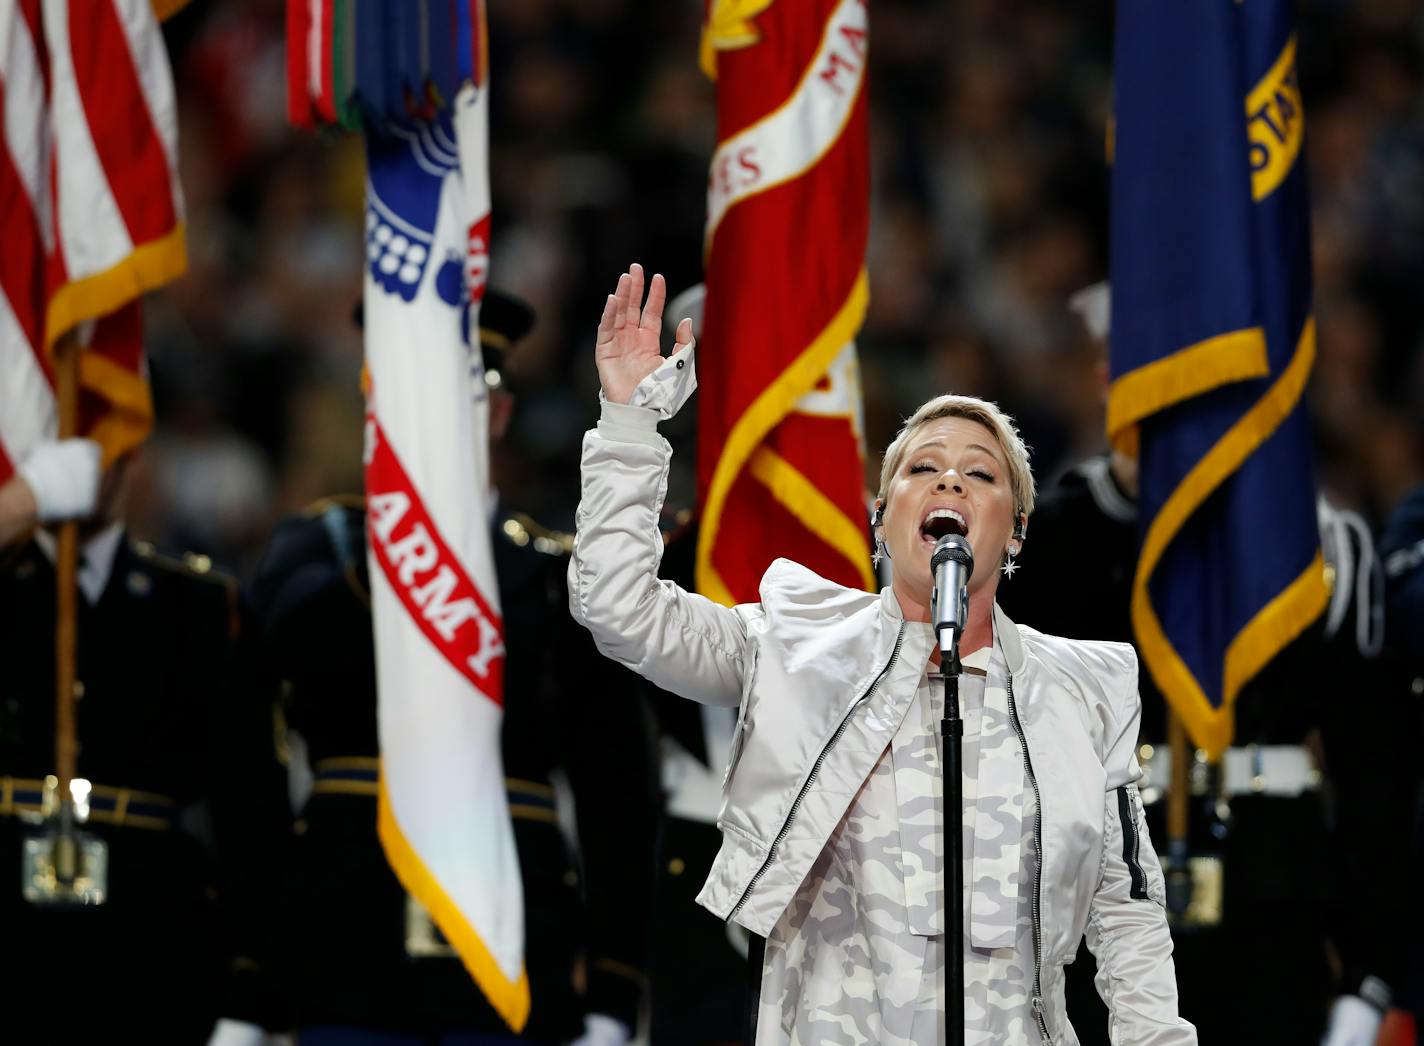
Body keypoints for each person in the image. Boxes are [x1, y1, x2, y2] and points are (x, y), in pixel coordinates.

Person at [569, 264, 1195, 1045]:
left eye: (982, 473)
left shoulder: (1085, 689)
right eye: (923, 468)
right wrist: (630, 426)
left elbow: (1129, 917)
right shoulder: (794, 649)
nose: (951, 483)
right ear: (880, 517)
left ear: (1019, 526)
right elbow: (617, 608)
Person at [998, 284, 1418, 1045]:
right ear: (1106, 383)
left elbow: (1373, 787)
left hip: (1274, 919)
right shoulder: (1044, 549)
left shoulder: (1319, 553)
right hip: (1092, 924)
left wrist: (1365, 976)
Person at [248, 290, 659, 1045]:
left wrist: (611, 987)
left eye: (463, 396)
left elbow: (617, 797)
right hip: (346, 945)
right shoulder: (318, 553)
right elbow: (272, 701)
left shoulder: (558, 578)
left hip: (516, 949)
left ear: (499, 415)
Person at [0, 450, 291, 1044]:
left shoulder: (203, 606)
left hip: (151, 947)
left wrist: (249, 994)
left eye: (108, 444)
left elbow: (251, 814)